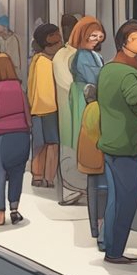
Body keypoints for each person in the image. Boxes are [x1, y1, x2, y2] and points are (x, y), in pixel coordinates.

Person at [97, 20, 137, 264]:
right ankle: (115, 251)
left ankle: (107, 243)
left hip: (110, 141)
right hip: (127, 144)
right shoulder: (129, 72)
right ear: (125, 41)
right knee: (127, 201)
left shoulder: (109, 68)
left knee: (114, 199)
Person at [0, 53, 32, 227]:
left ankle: (0, 213)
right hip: (21, 137)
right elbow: (27, 113)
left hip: (0, 138)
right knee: (17, 173)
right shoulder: (19, 88)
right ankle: (14, 209)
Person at [27, 24, 63, 189]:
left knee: (39, 144)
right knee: (52, 144)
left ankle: (39, 175)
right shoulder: (45, 62)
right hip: (49, 109)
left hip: (37, 109)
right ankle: (47, 177)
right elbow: (46, 90)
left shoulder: (37, 60)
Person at [55, 14, 83, 204]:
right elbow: (68, 84)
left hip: (74, 110)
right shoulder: (66, 56)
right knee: (70, 148)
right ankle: (72, 188)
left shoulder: (65, 55)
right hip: (71, 110)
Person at [78, 82, 108, 252]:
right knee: (102, 192)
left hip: (87, 156)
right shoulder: (99, 108)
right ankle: (101, 231)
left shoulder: (88, 109)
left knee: (92, 191)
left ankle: (94, 229)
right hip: (99, 154)